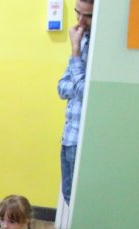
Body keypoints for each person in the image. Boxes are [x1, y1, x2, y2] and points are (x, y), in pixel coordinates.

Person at [57, 0, 94, 205]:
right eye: (77, 13)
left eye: (87, 16)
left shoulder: (94, 48)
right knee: (68, 194)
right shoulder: (84, 41)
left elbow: (84, 92)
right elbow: (62, 88)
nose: (80, 22)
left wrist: (75, 51)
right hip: (68, 136)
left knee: (77, 201)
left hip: (81, 139)